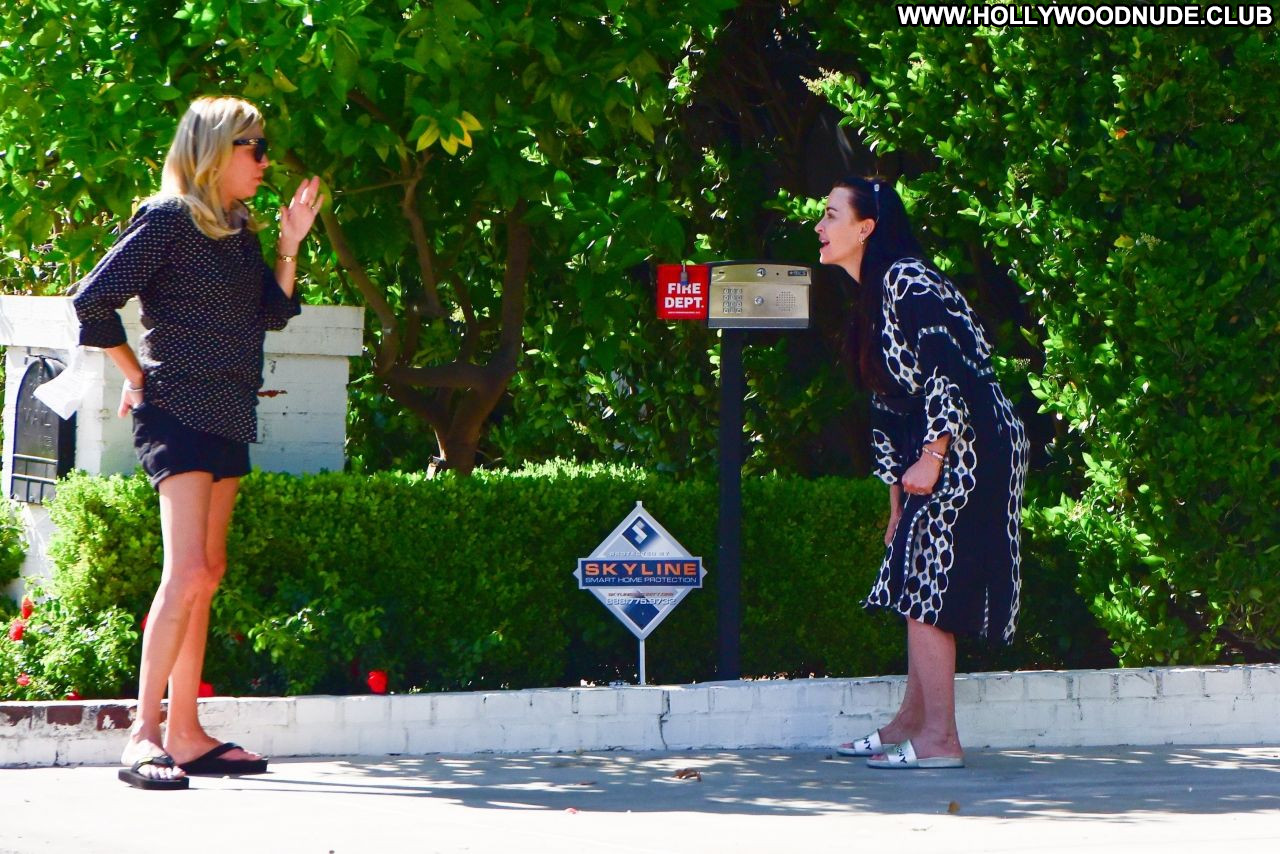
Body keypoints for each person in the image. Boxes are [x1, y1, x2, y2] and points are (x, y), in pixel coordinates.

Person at [72, 96, 324, 790]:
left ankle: (185, 733)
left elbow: (271, 312)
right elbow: (91, 299)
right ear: (215, 150)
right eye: (255, 147)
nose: (265, 161)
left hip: (229, 411)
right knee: (185, 571)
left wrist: (290, 243)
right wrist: (137, 377)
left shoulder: (238, 231)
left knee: (208, 571)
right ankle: (143, 735)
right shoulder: (167, 220)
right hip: (176, 409)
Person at [815, 177, 1028, 769]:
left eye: (831, 215)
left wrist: (934, 456)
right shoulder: (873, 296)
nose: (820, 227)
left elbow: (946, 373)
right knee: (913, 568)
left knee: (929, 583)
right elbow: (886, 412)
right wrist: (895, 505)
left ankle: (940, 739)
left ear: (866, 228)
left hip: (970, 441)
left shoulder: (908, 280)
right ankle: (913, 722)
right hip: (937, 445)